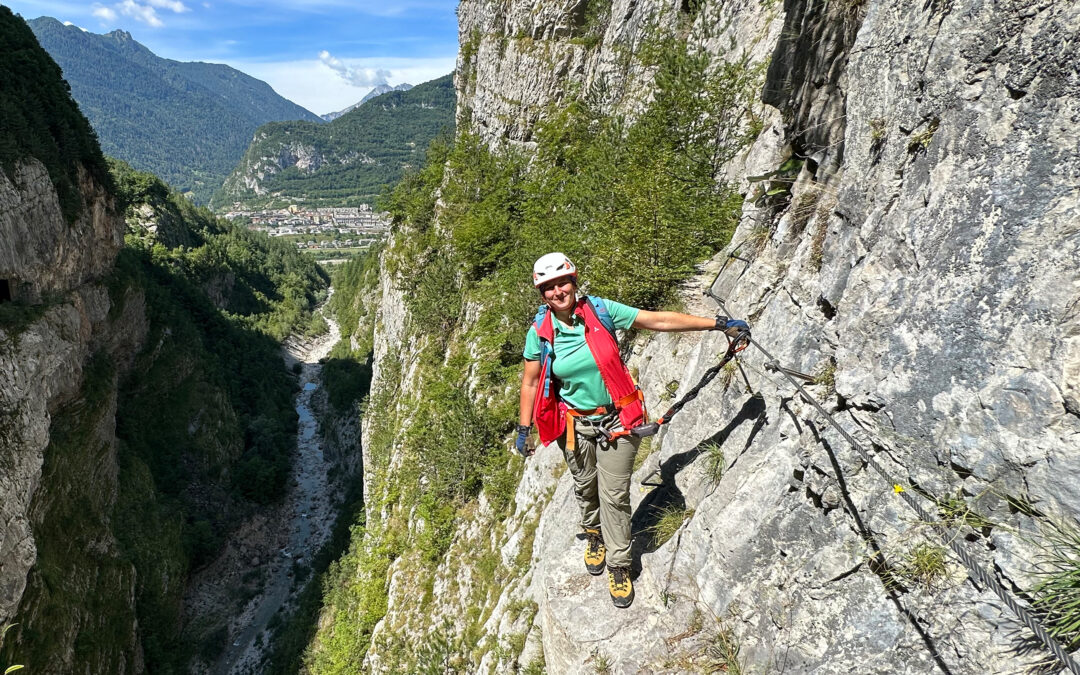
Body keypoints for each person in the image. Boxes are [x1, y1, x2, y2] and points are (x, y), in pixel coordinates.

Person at [515, 252, 749, 608]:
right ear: (541, 294)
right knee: (584, 486)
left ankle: (618, 564)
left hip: (618, 421)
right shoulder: (541, 334)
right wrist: (524, 427)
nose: (557, 292)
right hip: (574, 426)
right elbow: (531, 383)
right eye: (547, 288)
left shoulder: (601, 311)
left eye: (562, 282)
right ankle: (594, 534)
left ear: (574, 281)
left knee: (614, 496)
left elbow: (658, 321)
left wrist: (717, 324)